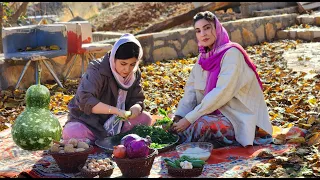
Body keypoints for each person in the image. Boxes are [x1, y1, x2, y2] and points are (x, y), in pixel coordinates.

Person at [171, 11, 273, 147]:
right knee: (176, 124)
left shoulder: (232, 54)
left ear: (217, 28)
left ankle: (182, 140)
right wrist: (179, 116)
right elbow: (190, 91)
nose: (203, 34)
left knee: (201, 126)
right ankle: (180, 137)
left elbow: (220, 93)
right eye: (198, 30)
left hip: (238, 117)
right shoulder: (203, 58)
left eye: (207, 28)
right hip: (210, 113)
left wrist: (189, 119)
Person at [62, 34, 152, 143]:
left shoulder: (134, 73)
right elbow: (85, 100)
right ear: (114, 58)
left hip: (121, 120)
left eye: (132, 64)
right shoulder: (97, 69)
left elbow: (137, 98)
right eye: (123, 63)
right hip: (90, 122)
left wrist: (136, 108)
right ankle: (104, 137)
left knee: (146, 119)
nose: (127, 69)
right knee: (71, 131)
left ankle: (114, 136)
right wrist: (116, 111)